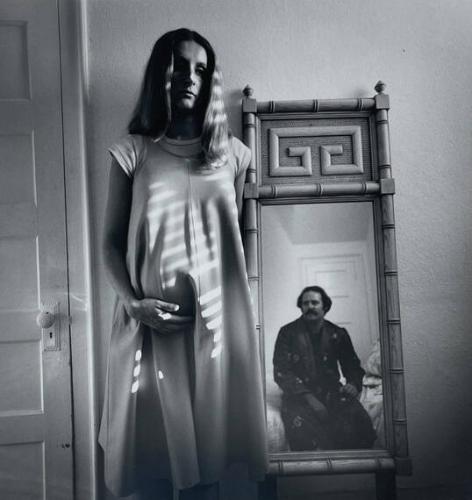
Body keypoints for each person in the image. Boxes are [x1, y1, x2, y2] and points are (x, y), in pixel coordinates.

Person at [98, 28, 267, 500]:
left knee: (208, 474)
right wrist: (134, 305)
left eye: (201, 69)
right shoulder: (132, 151)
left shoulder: (234, 155)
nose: (189, 77)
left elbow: (232, 246)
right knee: (152, 474)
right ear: (161, 73)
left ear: (210, 79)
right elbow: (109, 245)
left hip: (213, 335)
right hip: (149, 334)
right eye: (179, 65)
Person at [273, 286, 376, 451]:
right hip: (299, 395)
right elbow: (282, 372)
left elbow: (352, 366)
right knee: (303, 433)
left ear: (325, 306)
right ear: (301, 307)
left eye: (314, 302)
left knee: (358, 422)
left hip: (332, 391)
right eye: (305, 303)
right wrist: (310, 399)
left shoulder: (338, 333)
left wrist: (353, 383)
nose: (310, 306)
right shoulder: (287, 333)